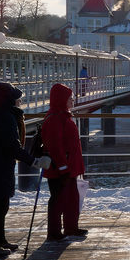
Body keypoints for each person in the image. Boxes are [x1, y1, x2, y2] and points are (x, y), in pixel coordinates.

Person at [0, 83, 50, 259]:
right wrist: (35, 161)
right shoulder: (4, 118)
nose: (20, 102)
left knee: (0, 204)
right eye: (17, 99)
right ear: (9, 101)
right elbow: (12, 147)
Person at [40, 82, 87, 242]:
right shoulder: (55, 119)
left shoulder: (63, 115)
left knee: (71, 197)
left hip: (69, 166)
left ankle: (71, 227)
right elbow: (55, 146)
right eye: (70, 98)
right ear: (62, 99)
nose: (73, 101)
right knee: (58, 199)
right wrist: (63, 166)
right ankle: (54, 232)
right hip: (60, 168)